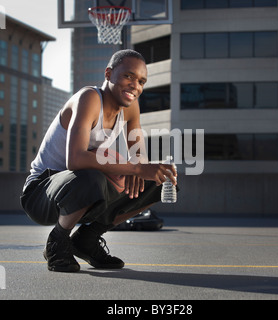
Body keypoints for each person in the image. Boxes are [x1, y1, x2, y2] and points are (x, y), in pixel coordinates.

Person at [20, 49, 177, 273]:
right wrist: (136, 167)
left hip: (79, 189)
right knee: (90, 175)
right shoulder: (89, 98)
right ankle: (58, 240)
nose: (135, 86)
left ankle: (87, 238)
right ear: (108, 74)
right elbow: (75, 159)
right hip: (40, 193)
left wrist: (143, 169)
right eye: (128, 76)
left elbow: (139, 156)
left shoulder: (131, 107)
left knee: (158, 182)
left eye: (141, 81)